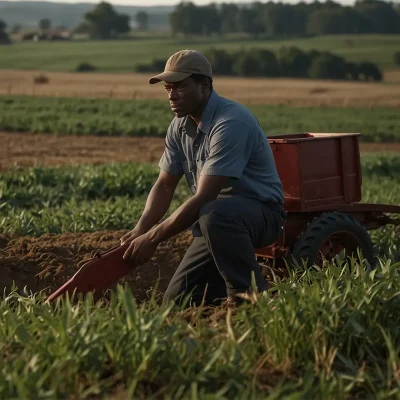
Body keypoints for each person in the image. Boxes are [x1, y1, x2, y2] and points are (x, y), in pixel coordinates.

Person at [120, 49, 286, 307]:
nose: (172, 96)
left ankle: (250, 299)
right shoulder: (179, 126)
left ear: (204, 85)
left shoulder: (231, 123)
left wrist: (152, 239)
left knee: (215, 212)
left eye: (180, 87)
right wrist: (140, 228)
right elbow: (165, 185)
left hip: (260, 214)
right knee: (177, 301)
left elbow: (205, 197)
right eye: (168, 89)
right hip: (215, 221)